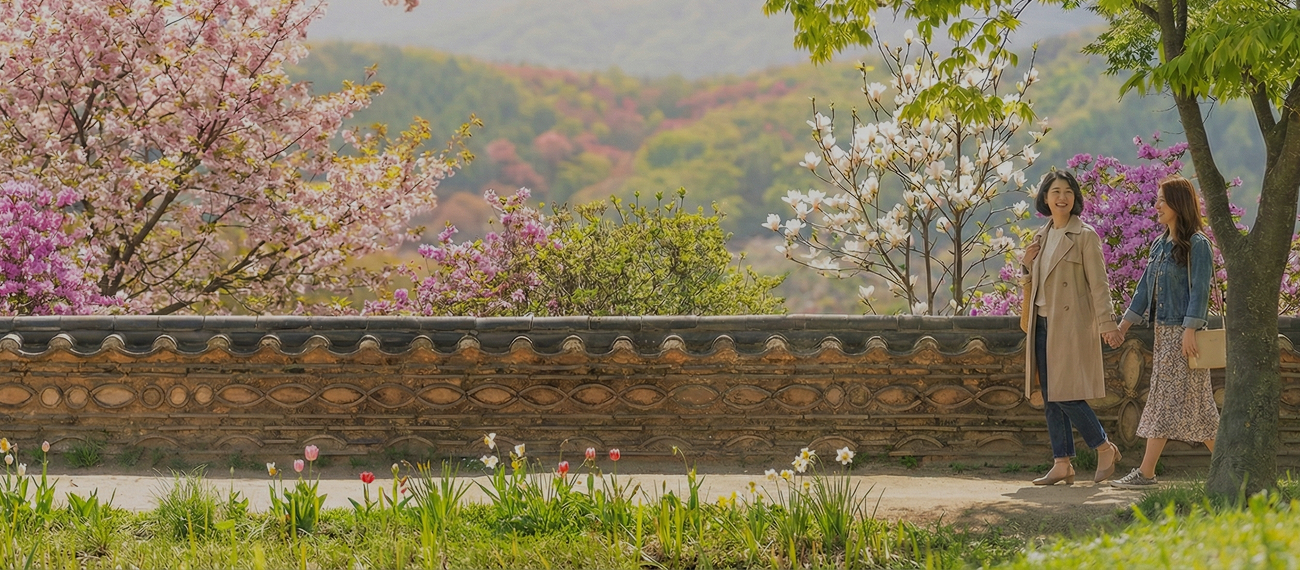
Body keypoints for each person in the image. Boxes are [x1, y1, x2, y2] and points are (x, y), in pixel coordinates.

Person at [1110, 176, 1217, 489]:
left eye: (1161, 200)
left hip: (1185, 337)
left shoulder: (1198, 244)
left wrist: (1190, 328)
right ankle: (1231, 466)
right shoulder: (1159, 244)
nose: (1156, 205)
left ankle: (1146, 473)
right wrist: (1123, 326)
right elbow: (1144, 290)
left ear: (1178, 204)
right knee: (1190, 406)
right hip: (1164, 334)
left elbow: (1200, 291)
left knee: (1172, 402)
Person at [1020, 170, 1125, 485]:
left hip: (1070, 326)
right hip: (1041, 323)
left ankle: (1104, 447)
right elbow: (1033, 283)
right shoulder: (1041, 236)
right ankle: (1062, 462)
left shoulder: (1085, 235)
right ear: (1045, 198)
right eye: (1055, 191)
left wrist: (1107, 323)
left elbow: (1100, 285)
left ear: (1075, 198)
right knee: (1050, 396)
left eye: (1067, 191)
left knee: (1067, 395)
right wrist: (1025, 265)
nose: (1061, 197)